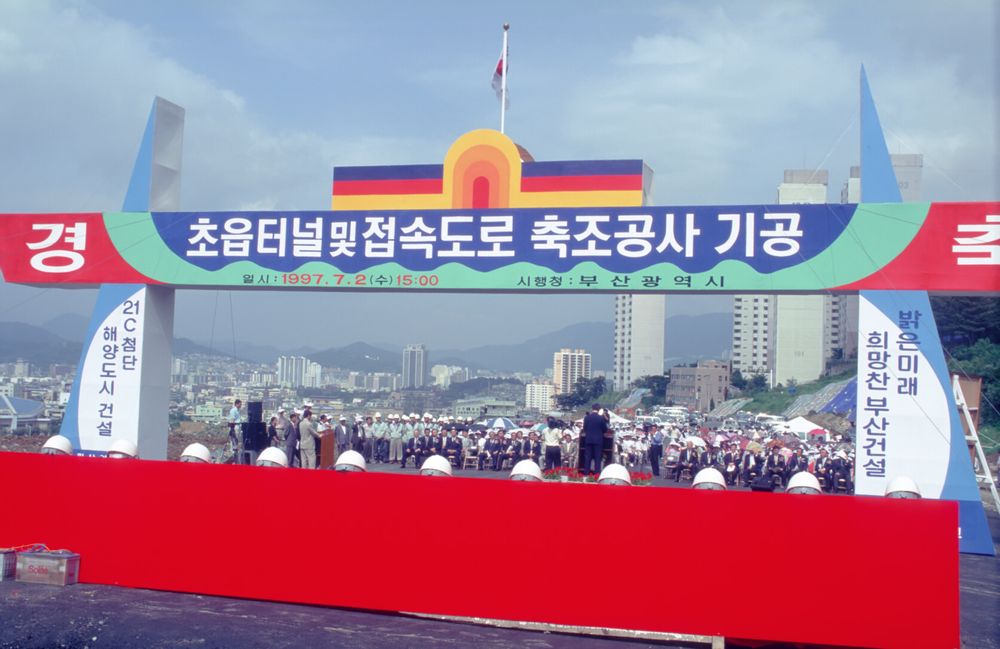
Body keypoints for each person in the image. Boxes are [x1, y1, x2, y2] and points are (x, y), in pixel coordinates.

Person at [582, 403, 608, 476]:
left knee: (588, 458)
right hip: (598, 440)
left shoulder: (587, 418)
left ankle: (586, 475)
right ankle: (596, 475)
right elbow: (605, 429)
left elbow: (584, 428)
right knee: (597, 458)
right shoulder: (601, 418)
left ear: (592, 408)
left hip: (588, 440)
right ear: (599, 409)